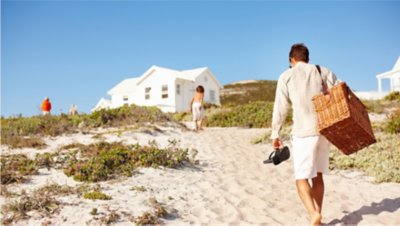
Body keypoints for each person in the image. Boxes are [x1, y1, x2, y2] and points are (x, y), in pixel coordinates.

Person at [270, 43, 339, 225]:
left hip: (303, 132)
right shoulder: (323, 71)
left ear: (292, 59)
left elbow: (280, 107)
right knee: (318, 176)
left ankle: (313, 213)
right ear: (307, 58)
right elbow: (340, 93)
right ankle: (319, 212)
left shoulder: (287, 76)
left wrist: (275, 133)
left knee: (301, 178)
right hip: (324, 130)